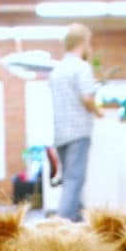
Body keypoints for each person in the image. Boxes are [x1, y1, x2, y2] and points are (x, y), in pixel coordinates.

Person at [48, 24, 103, 222]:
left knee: (71, 183)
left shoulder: (57, 70)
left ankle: (79, 226)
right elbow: (87, 99)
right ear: (84, 43)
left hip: (61, 134)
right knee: (74, 180)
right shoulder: (82, 67)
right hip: (78, 132)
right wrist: (99, 112)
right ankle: (60, 226)